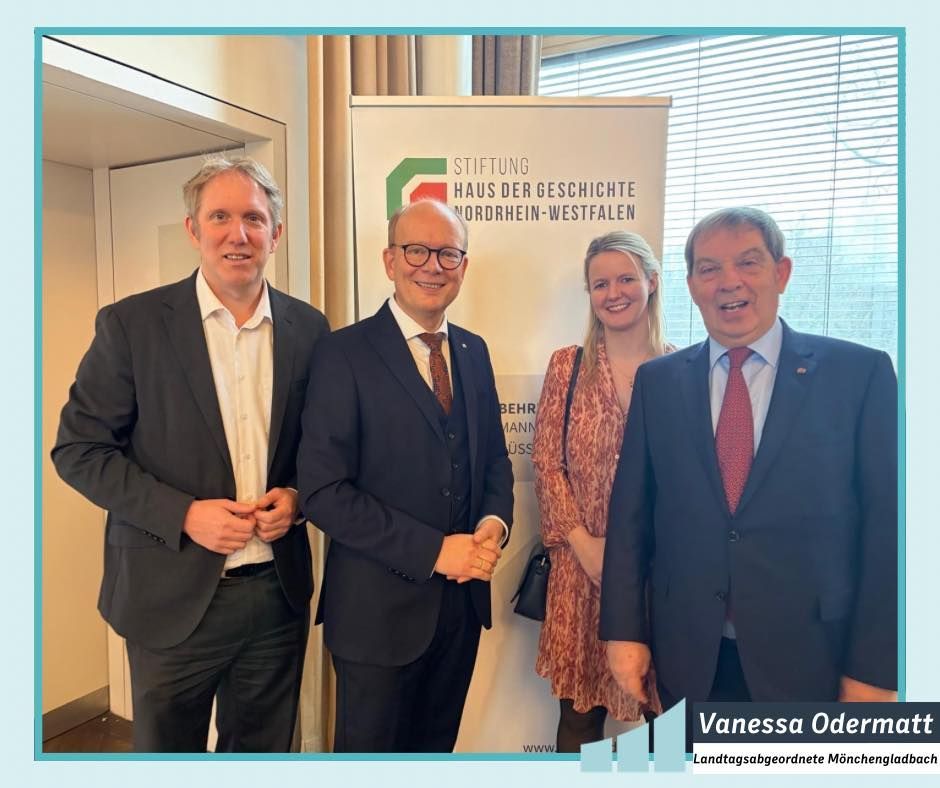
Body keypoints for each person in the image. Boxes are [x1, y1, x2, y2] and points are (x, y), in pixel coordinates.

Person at [52, 156, 330, 752]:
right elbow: (78, 450)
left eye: (254, 218)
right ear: (193, 229)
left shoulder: (310, 329)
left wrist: (298, 497)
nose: (238, 234)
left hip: (275, 595)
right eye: (220, 217)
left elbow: (321, 446)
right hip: (168, 596)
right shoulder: (132, 325)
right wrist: (183, 514)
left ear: (276, 233)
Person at [601, 207, 897, 738]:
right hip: (689, 654)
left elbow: (888, 532)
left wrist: (876, 669)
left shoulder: (859, 374)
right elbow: (630, 518)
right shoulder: (659, 383)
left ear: (781, 273)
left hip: (814, 660)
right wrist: (625, 633)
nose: (729, 281)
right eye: (709, 268)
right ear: (691, 285)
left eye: (748, 262)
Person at [297, 198, 514, 753]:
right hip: (375, 619)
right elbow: (323, 492)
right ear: (389, 260)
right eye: (417, 250)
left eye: (448, 254)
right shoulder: (342, 353)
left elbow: (494, 459)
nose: (432, 266)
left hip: (460, 613)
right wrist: (435, 551)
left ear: (463, 266)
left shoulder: (473, 351)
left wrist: (494, 523)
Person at [532, 231, 669, 752]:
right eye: (600, 284)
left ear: (651, 282)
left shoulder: (681, 370)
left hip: (658, 575)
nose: (614, 293)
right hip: (580, 572)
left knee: (666, 720)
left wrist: (638, 557)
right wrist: (584, 544)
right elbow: (547, 464)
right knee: (578, 721)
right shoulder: (568, 366)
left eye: (626, 279)